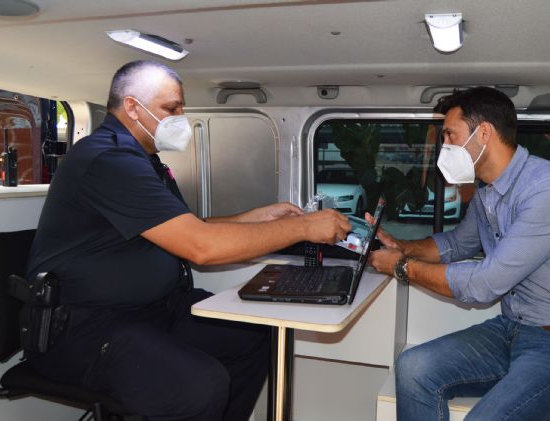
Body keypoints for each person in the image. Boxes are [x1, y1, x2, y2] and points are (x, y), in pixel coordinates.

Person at [25, 60, 351, 421]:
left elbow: (187, 227)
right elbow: (201, 247)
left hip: (155, 310)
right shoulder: (108, 159)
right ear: (133, 107)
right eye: (171, 108)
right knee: (201, 387)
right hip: (86, 327)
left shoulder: (144, 160)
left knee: (257, 336)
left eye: (181, 106)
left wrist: (255, 216)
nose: (181, 116)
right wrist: (303, 229)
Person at [367, 87, 550, 420]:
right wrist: (403, 246)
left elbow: (486, 284)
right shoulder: (488, 192)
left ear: (483, 133)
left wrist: (402, 267)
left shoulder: (549, 190)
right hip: (513, 330)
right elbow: (458, 244)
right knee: (413, 369)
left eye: (450, 135)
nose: (445, 147)